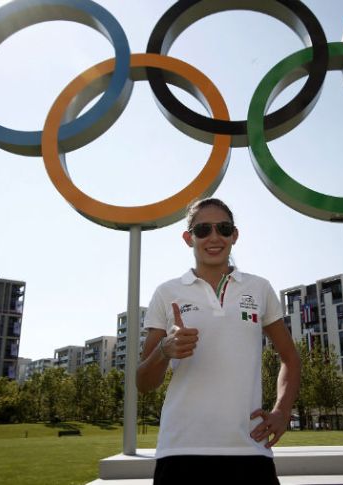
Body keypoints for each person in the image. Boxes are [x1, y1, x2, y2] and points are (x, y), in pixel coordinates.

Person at [136, 198, 301, 485]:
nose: (214, 237)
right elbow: (143, 383)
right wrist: (165, 350)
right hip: (181, 451)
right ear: (189, 239)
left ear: (234, 235)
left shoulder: (259, 288)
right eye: (203, 230)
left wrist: (281, 411)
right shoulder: (166, 292)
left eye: (223, 228)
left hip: (251, 450)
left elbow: (290, 358)